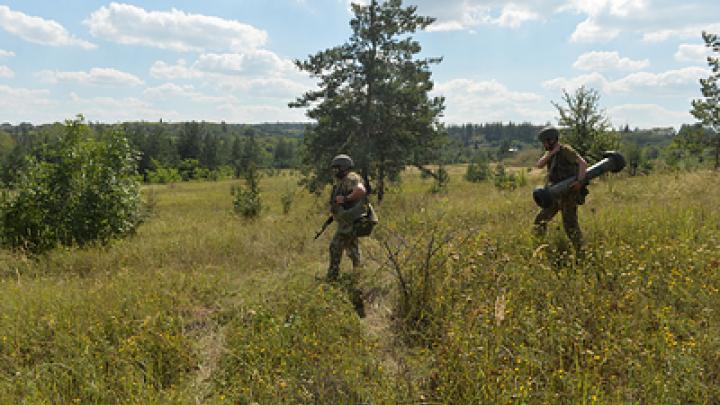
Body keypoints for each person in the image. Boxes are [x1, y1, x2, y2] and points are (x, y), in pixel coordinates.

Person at [533, 126, 588, 250]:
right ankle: (537, 246)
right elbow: (539, 165)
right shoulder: (550, 153)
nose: (544, 145)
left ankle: (581, 252)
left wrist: (579, 182)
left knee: (570, 226)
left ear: (551, 140)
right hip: (554, 193)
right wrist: (552, 153)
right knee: (540, 220)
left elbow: (583, 164)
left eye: (545, 142)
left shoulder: (566, 150)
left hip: (568, 194)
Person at [326, 154, 367, 281]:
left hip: (350, 222)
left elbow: (361, 190)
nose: (335, 171)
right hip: (348, 221)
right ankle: (359, 276)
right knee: (353, 250)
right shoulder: (343, 181)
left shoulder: (351, 178)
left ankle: (333, 277)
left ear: (343, 167)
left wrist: (345, 199)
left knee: (335, 246)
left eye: (336, 168)